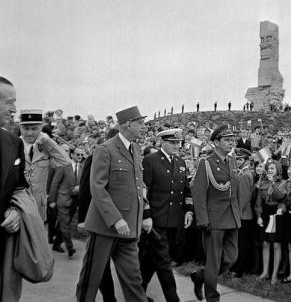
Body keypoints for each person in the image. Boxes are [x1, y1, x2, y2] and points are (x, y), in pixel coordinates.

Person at [76, 106, 148, 302]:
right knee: (91, 278)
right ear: (128, 124)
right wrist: (116, 219)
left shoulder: (135, 149)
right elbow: (97, 189)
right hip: (105, 228)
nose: (144, 127)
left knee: (134, 279)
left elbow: (137, 186)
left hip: (129, 228)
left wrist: (144, 214)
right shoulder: (105, 149)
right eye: (140, 123)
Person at [140, 128, 193, 301]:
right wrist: (146, 215)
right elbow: (143, 191)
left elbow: (186, 191)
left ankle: (137, 293)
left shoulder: (181, 162)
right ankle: (173, 299)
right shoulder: (151, 161)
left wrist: (189, 211)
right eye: (172, 142)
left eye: (178, 143)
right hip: (156, 220)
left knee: (150, 260)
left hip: (174, 221)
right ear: (162, 142)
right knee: (163, 262)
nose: (176, 146)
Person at [190, 125, 241, 302]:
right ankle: (213, 297)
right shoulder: (207, 163)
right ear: (216, 142)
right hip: (214, 219)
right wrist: (203, 219)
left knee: (231, 257)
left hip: (232, 217)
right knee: (214, 261)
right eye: (226, 140)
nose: (231, 143)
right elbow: (198, 192)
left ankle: (201, 276)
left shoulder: (232, 161)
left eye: (232, 140)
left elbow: (234, 192)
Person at [0, 77, 29, 300]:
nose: (14, 109)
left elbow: (20, 187)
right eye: (8, 102)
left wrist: (16, 210)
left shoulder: (13, 142)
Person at [20, 109, 70, 222]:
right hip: (19, 205)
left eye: (34, 129)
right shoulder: (14, 145)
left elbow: (65, 162)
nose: (29, 133)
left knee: (38, 239)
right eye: (26, 128)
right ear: (20, 128)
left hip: (39, 206)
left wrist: (47, 141)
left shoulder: (45, 145)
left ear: (41, 128)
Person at [255, 160, 287, 284]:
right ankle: (265, 272)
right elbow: (258, 202)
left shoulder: (283, 183)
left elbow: (281, 197)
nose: (270, 170)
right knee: (265, 244)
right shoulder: (262, 183)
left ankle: (274, 274)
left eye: (272, 168)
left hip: (277, 213)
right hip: (265, 213)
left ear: (278, 170)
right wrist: (258, 215)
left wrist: (273, 183)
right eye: (268, 168)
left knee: (276, 245)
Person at [230, 148, 255, 278]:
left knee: (242, 244)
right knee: (240, 242)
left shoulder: (245, 175)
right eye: (237, 159)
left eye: (240, 159)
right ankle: (238, 267)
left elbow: (244, 198)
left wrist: (237, 214)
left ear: (246, 161)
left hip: (243, 214)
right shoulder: (242, 173)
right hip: (242, 214)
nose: (238, 161)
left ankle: (239, 269)